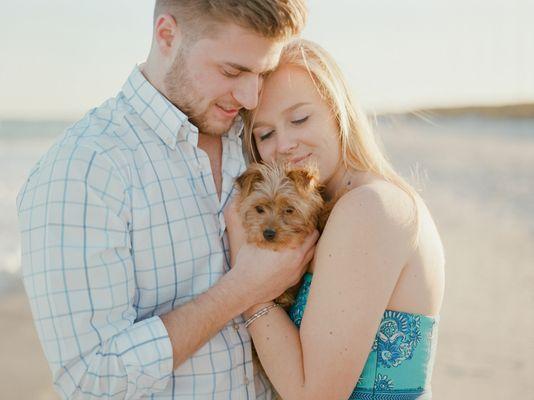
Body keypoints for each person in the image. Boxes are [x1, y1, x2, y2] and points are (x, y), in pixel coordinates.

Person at [16, 1, 315, 399]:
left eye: (262, 73)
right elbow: (92, 378)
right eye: (232, 71)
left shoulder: (259, 135)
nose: (249, 95)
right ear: (166, 35)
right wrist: (241, 291)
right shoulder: (83, 170)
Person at [225, 39, 445, 399]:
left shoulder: (368, 208)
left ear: (337, 110)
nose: (285, 144)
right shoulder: (341, 207)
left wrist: (248, 287)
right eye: (265, 134)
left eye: (299, 118)